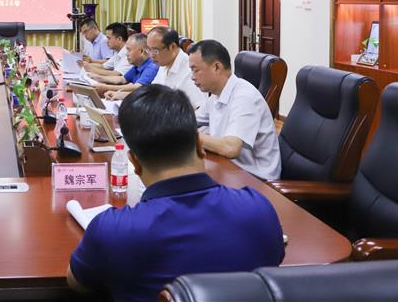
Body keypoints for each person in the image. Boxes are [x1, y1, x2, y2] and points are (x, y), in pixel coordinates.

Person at [67, 85, 284, 300]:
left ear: (134, 162)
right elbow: (273, 263)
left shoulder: (113, 229)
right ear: (199, 145)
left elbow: (77, 283)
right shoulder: (258, 210)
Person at [188, 39, 281, 180]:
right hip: (230, 168)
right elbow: (190, 121)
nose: (192, 77)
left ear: (216, 67)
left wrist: (189, 135)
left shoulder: (245, 97)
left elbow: (231, 148)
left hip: (257, 181)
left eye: (196, 70)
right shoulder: (216, 95)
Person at [106, 27, 206, 109]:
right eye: (149, 50)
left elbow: (196, 111)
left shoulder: (189, 71)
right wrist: (122, 95)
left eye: (155, 50)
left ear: (172, 47)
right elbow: (152, 93)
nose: (151, 55)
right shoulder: (164, 63)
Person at [92, 33, 158, 94]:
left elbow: (137, 87)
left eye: (129, 50)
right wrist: (98, 78)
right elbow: (122, 79)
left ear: (141, 51)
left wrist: (107, 87)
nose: (126, 54)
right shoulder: (138, 65)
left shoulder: (152, 66)